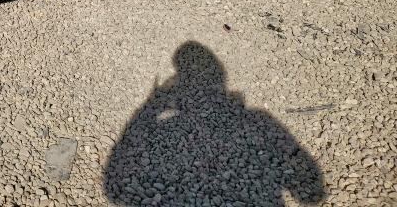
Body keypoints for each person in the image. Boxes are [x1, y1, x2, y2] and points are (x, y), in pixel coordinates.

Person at [104, 42, 326, 206]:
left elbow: (114, 188)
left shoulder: (257, 119)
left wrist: (149, 107)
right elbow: (312, 193)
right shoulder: (258, 118)